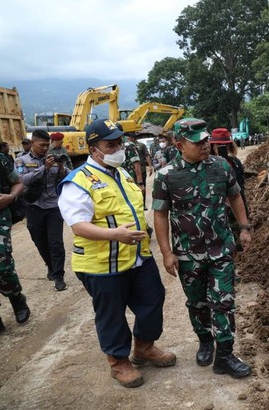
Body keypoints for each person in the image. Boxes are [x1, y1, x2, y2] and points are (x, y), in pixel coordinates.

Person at [57, 118, 175, 388]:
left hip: (136, 257)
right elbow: (78, 225)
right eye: (110, 145)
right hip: (101, 264)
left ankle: (144, 348)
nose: (118, 148)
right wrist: (115, 235)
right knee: (111, 314)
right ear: (93, 149)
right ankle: (119, 362)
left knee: (152, 300)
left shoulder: (121, 173)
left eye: (119, 142)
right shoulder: (77, 182)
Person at [153, 118, 252, 378]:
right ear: (179, 145)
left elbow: (235, 196)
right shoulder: (166, 176)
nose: (205, 145)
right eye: (197, 142)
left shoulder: (221, 166)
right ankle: (205, 341)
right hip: (188, 254)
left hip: (221, 249)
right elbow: (160, 215)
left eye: (206, 140)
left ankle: (225, 355)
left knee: (223, 302)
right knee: (197, 303)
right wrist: (166, 252)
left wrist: (243, 228)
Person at [15, 130, 68, 291]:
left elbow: (68, 176)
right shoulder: (20, 160)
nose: (45, 148)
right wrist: (44, 169)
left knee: (56, 242)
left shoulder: (53, 159)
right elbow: (22, 181)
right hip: (33, 206)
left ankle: (59, 275)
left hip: (53, 206)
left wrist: (60, 167)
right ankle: (50, 266)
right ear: (32, 144)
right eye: (42, 145)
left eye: (47, 145)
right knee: (40, 241)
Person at [0, 152, 29, 333]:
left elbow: (18, 183)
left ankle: (16, 298)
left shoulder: (1, 159)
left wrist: (11, 197)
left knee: (2, 264)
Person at [209, 128, 250, 253]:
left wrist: (245, 218)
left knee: (237, 244)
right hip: (216, 214)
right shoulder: (207, 166)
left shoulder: (235, 162)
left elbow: (240, 190)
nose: (222, 148)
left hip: (234, 211)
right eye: (219, 145)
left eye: (225, 145)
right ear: (212, 146)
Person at [129, 133, 152, 210]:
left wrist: (150, 166)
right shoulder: (127, 146)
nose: (128, 139)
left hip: (141, 169)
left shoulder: (141, 145)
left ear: (133, 138)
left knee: (142, 186)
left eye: (129, 137)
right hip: (131, 170)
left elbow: (147, 155)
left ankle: (143, 204)